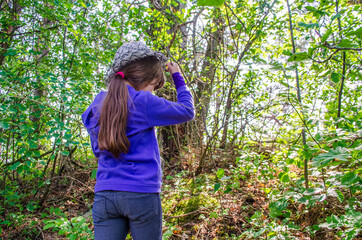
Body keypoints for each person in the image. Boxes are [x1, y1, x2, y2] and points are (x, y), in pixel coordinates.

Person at [81, 41, 195, 240]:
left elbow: (97, 149)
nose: (152, 92)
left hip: (105, 194)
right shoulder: (143, 101)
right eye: (153, 86)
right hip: (141, 193)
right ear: (142, 78)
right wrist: (178, 77)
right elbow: (187, 111)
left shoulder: (97, 103)